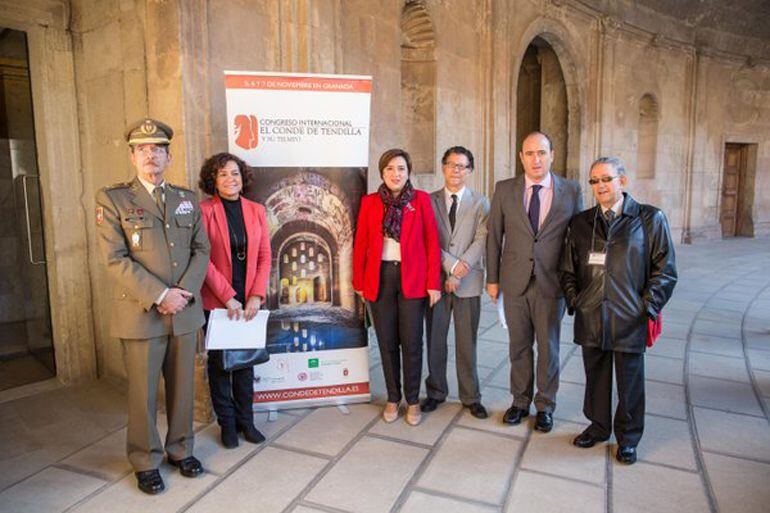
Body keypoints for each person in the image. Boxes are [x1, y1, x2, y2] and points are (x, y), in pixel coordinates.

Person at [95, 118, 209, 495]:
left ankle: (180, 449)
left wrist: (183, 292)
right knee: (142, 395)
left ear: (168, 155)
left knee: (182, 389)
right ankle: (145, 459)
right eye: (142, 149)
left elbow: (201, 250)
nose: (150, 155)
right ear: (132, 156)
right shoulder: (113, 199)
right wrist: (162, 295)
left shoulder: (186, 198)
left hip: (184, 311)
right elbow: (115, 259)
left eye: (157, 149)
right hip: (141, 312)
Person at [559, 157, 677, 464]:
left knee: (630, 382)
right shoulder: (581, 223)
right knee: (596, 377)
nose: (600, 186)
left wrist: (646, 307)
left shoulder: (650, 219)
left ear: (622, 181)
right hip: (592, 316)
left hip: (630, 318)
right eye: (594, 181)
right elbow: (567, 269)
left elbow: (665, 270)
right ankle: (598, 427)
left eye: (606, 179)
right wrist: (577, 301)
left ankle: (628, 438)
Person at [486, 131, 583, 432]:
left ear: (552, 155)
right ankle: (519, 402)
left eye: (541, 152)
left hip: (551, 283)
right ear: (521, 157)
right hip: (514, 282)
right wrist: (492, 279)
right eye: (529, 153)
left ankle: (545, 406)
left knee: (549, 347)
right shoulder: (504, 190)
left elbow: (577, 239)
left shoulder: (571, 190)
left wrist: (575, 282)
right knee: (519, 346)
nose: (536, 159)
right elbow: (493, 237)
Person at [353, 148, 441, 426]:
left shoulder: (421, 201)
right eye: (390, 168)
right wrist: (359, 281)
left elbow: (431, 243)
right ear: (382, 172)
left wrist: (433, 284)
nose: (396, 173)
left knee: (412, 342)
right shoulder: (369, 203)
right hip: (380, 278)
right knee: (387, 342)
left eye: (401, 168)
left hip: (412, 279)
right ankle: (393, 397)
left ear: (408, 172)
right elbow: (361, 245)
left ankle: (413, 400)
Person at [198, 152, 271, 449]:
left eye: (235, 173)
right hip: (217, 302)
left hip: (249, 299)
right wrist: (228, 297)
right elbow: (201, 258)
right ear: (213, 180)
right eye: (224, 174)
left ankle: (247, 421)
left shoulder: (256, 211)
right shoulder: (203, 212)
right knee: (219, 365)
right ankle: (227, 424)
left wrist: (255, 294)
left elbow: (265, 255)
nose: (231, 179)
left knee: (246, 364)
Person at [422, 146, 490, 419]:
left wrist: (459, 271)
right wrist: (450, 267)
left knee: (467, 342)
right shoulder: (428, 201)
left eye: (462, 166)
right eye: (451, 164)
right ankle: (436, 392)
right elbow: (427, 240)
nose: (456, 170)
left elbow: (482, 239)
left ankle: (471, 396)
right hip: (436, 283)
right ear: (443, 167)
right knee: (436, 339)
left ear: (470, 171)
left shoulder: (480, 202)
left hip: (468, 283)